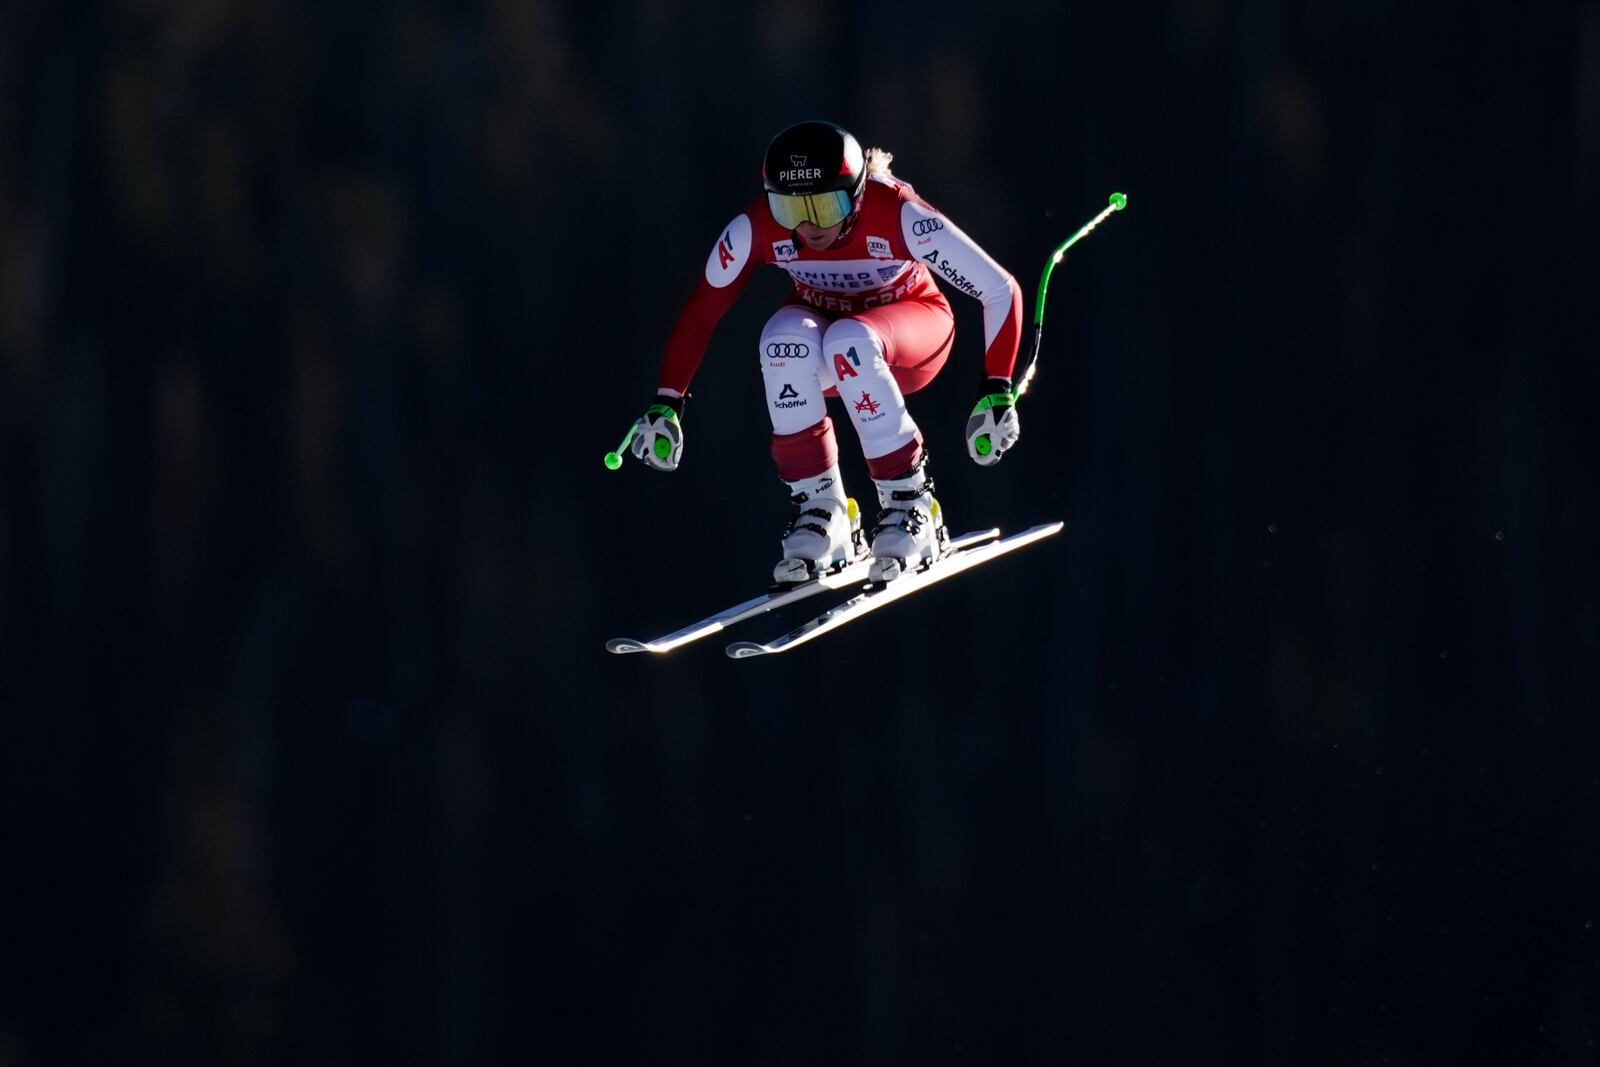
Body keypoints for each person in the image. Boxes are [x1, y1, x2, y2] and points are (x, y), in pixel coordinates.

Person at [626, 120, 1024, 584]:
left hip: (913, 332)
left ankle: (911, 505)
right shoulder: (756, 226)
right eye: (791, 208)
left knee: (848, 343)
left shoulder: (896, 212)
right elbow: (702, 310)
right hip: (833, 339)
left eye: (826, 206)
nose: (809, 225)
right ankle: (823, 510)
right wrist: (667, 402)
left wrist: (996, 388)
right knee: (780, 340)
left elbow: (999, 288)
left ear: (856, 195)